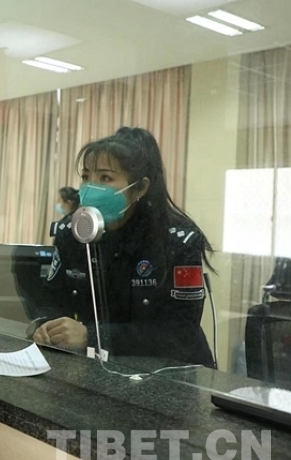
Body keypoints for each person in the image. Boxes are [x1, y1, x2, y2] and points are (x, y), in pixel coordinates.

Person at [24, 127, 215, 367]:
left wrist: (92, 336)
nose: (90, 188)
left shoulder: (179, 239)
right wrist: (46, 325)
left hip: (170, 373)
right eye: (86, 177)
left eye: (105, 178)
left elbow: (179, 334)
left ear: (140, 188)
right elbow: (51, 298)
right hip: (95, 368)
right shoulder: (72, 231)